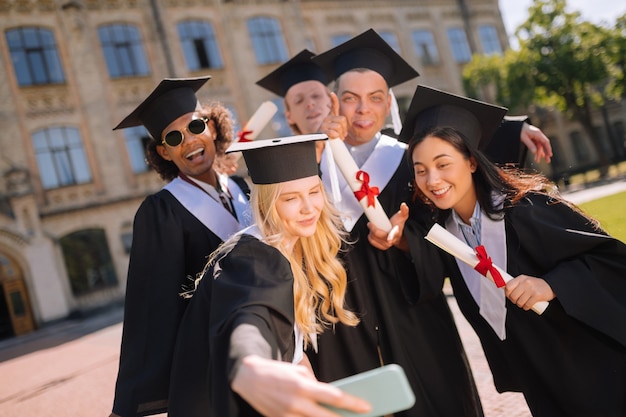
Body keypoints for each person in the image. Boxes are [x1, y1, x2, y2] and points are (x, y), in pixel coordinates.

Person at [404, 84, 626, 417]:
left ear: (473, 163)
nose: (432, 179)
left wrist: (552, 285)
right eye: (420, 170)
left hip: (596, 368)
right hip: (540, 380)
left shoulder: (528, 210)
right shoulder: (446, 240)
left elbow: (612, 262)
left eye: (443, 164)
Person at [167, 134, 372, 417]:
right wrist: (250, 366)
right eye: (290, 198)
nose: (308, 207)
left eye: (314, 192)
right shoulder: (251, 257)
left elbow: (295, 352)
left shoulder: (291, 249)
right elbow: (248, 316)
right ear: (266, 203)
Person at [109, 76, 252, 417]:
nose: (189, 140)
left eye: (195, 126)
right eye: (174, 137)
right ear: (164, 152)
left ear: (213, 128)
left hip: (265, 344)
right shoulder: (161, 212)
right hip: (209, 364)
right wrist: (131, 398)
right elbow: (151, 309)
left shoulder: (244, 189)